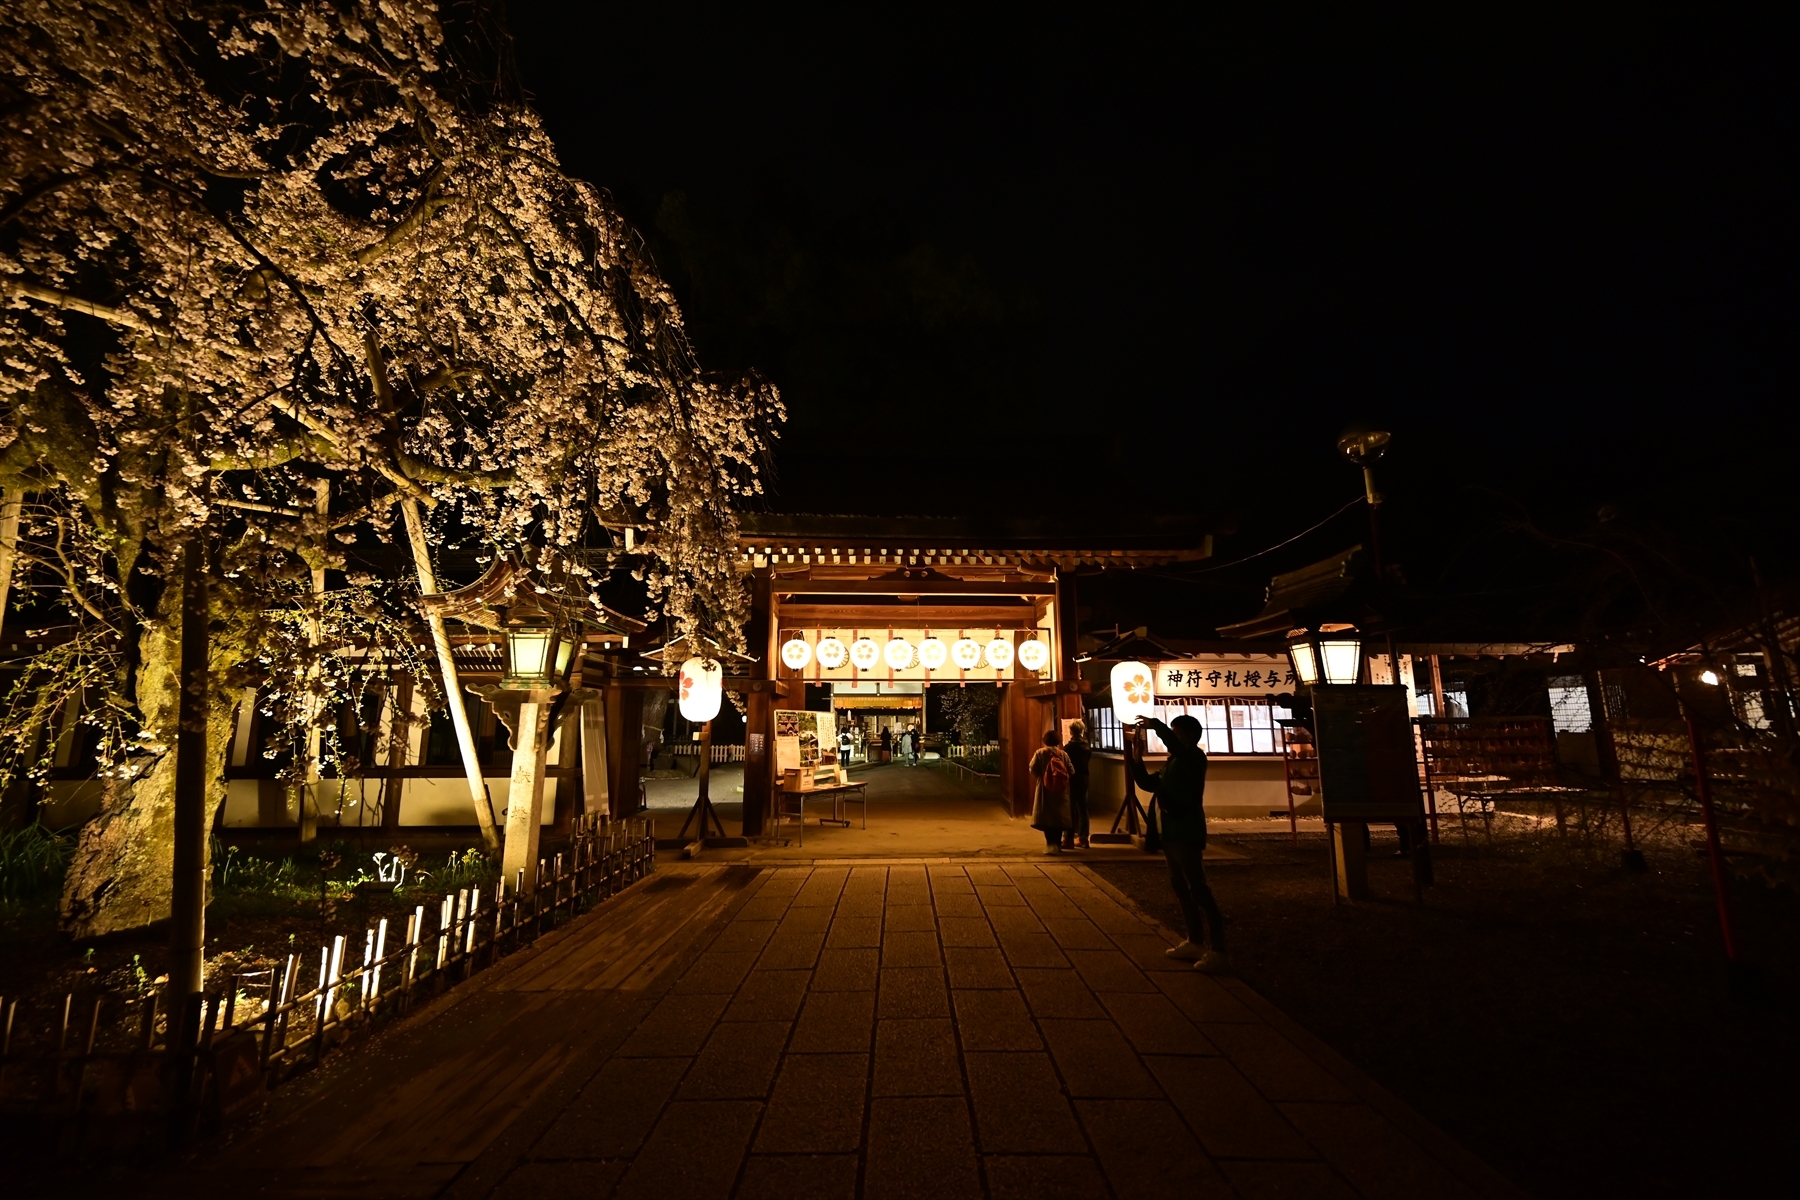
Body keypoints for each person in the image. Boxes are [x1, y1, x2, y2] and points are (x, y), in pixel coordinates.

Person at [1129, 714, 1227, 972]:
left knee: (1198, 888)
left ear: (1189, 736)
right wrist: (1136, 760)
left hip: (1185, 829)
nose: (1173, 737)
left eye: (1177, 732)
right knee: (1182, 887)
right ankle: (1194, 940)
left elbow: (1175, 747)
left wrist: (1156, 726)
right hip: (1169, 830)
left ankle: (1219, 949)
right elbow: (1148, 784)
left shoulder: (1193, 757)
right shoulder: (1173, 762)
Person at [1028, 729, 1075, 854]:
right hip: (1061, 791)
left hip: (1044, 790)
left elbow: (1032, 769)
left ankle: (1050, 844)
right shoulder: (1063, 754)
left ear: (1045, 740)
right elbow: (1071, 770)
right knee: (1058, 818)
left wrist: (1042, 776)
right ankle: (1058, 844)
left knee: (1047, 817)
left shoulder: (1040, 753)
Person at [1063, 720, 1092, 850]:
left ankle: (1068, 839)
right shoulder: (1087, 746)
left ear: (1070, 731)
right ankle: (1084, 838)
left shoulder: (1068, 748)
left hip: (1072, 779)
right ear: (1082, 731)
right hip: (1084, 778)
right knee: (1083, 809)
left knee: (1071, 809)